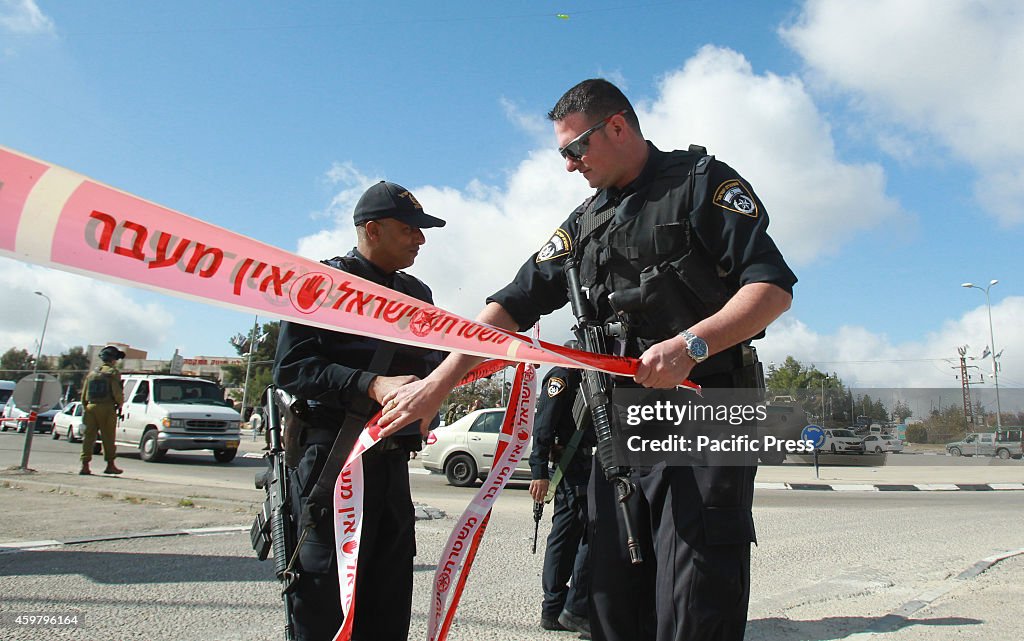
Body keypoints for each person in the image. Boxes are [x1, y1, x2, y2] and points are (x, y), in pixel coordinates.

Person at [380, 79, 797, 641]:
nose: (570, 165)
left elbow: (770, 289)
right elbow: (510, 304)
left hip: (710, 406)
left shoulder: (703, 184)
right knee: (612, 595)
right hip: (621, 418)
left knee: (696, 592)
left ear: (619, 127)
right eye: (563, 154)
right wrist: (438, 384)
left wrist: (690, 346)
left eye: (576, 149)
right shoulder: (583, 224)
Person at [273, 180, 446, 641]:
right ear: (372, 229)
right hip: (333, 464)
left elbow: (431, 361)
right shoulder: (322, 285)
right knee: (324, 605)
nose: (420, 239)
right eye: (410, 229)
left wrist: (439, 389)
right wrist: (371, 385)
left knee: (387, 605)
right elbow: (291, 368)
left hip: (391, 468)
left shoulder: (418, 293)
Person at [529, 363, 594, 638]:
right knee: (565, 535)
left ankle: (574, 605)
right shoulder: (564, 376)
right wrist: (539, 471)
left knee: (590, 535)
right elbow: (544, 424)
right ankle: (553, 607)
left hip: (593, 465)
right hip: (572, 467)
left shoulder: (596, 372)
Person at [80, 345, 125, 475]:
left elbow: (83, 395)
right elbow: (117, 393)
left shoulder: (92, 374)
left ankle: (85, 465)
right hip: (106, 408)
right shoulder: (113, 373)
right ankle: (110, 465)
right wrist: (120, 403)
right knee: (108, 437)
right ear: (113, 359)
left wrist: (87, 407)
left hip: (90, 407)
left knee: (88, 438)